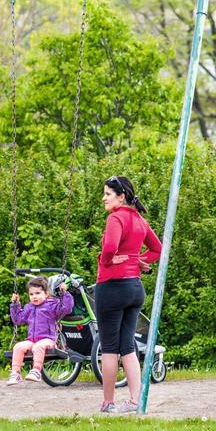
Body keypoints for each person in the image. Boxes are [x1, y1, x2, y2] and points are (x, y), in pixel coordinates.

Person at [95, 175, 161, 413]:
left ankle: (108, 402)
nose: (103, 198)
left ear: (121, 196)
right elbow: (157, 249)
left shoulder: (115, 218)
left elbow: (110, 247)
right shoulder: (139, 220)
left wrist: (107, 260)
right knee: (128, 347)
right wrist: (141, 261)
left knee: (110, 347)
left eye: (107, 194)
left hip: (112, 288)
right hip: (134, 288)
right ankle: (136, 401)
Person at [8, 276, 74, 385]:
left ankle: (36, 371)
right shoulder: (29, 307)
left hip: (48, 340)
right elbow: (17, 319)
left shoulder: (52, 305)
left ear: (46, 293)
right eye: (31, 294)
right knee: (18, 346)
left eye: (38, 293)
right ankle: (16, 373)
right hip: (32, 340)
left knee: (38, 346)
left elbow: (66, 308)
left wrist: (64, 293)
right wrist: (15, 305)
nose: (34, 296)